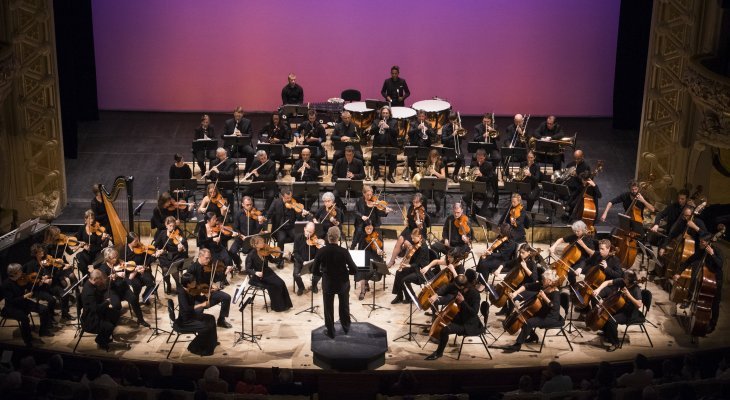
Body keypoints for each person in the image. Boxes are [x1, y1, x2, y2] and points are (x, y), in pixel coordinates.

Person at [312, 227, 358, 338]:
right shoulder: (344, 252)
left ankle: (331, 332)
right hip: (342, 283)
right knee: (344, 305)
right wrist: (348, 271)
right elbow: (354, 270)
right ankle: (346, 327)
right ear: (338, 238)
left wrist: (323, 273)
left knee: (328, 308)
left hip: (328, 283)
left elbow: (314, 270)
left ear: (328, 237)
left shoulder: (321, 251)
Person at [424, 274, 483, 360]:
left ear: (462, 286)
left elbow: (474, 312)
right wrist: (436, 295)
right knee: (443, 323)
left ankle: (439, 353)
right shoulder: (459, 287)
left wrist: (462, 302)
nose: (454, 287)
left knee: (445, 329)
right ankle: (437, 340)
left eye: (456, 286)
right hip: (460, 317)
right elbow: (447, 287)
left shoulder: (475, 294)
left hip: (468, 323)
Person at [504, 269, 563, 353]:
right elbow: (528, 286)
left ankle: (518, 345)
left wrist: (545, 297)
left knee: (528, 322)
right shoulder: (544, 286)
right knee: (527, 316)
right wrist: (516, 293)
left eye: (544, 280)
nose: (542, 281)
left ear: (550, 281)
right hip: (543, 312)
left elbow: (554, 307)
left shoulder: (555, 293)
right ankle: (533, 336)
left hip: (551, 317)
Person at [676, 231, 723, 333]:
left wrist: (713, 255)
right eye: (700, 242)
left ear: (707, 243)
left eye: (702, 242)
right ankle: (692, 307)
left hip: (716, 280)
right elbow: (688, 261)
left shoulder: (716, 251)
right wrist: (679, 273)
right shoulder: (701, 251)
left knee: (715, 304)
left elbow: (720, 265)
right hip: (706, 279)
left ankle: (712, 324)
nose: (699, 244)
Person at [94, 247, 150, 328]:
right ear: (107, 258)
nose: (116, 259)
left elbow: (129, 274)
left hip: (123, 287)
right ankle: (113, 320)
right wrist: (116, 275)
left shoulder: (121, 262)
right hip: (111, 290)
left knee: (134, 299)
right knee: (117, 305)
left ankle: (141, 319)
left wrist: (136, 269)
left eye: (117, 256)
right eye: (113, 257)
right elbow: (104, 283)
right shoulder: (103, 268)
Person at [1, 263, 54, 347]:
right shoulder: (6, 284)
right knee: (25, 319)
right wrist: (24, 296)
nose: (22, 272)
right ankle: (28, 340)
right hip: (12, 307)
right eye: (20, 271)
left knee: (44, 309)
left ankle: (43, 330)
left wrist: (39, 283)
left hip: (23, 302)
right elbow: (11, 301)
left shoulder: (22, 279)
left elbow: (31, 287)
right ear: (14, 273)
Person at [594, 270, 645, 352]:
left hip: (630, 313)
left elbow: (639, 305)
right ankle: (607, 333)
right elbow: (607, 282)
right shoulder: (623, 282)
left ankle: (615, 343)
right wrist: (598, 289)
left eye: (624, 278)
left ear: (628, 280)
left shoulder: (636, 289)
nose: (622, 278)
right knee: (606, 312)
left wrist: (628, 295)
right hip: (621, 308)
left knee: (612, 320)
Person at [186, 249, 233, 328]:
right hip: (197, 296)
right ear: (200, 256)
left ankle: (221, 320)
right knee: (198, 311)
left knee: (226, 297)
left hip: (209, 292)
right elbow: (190, 288)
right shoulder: (192, 269)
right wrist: (204, 291)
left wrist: (225, 273)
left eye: (210, 258)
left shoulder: (209, 266)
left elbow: (216, 278)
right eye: (206, 258)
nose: (209, 260)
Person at [23, 243, 70, 321]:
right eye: (39, 251)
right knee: (52, 300)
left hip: (50, 285)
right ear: (35, 253)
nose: (42, 252)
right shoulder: (31, 264)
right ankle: (50, 316)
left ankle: (65, 314)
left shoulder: (47, 261)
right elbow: (30, 280)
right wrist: (42, 280)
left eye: (42, 250)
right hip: (39, 288)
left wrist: (62, 269)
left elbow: (54, 273)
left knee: (65, 294)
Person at [246, 236, 293, 312]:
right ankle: (278, 307)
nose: (264, 243)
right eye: (261, 242)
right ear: (255, 244)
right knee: (276, 285)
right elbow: (247, 269)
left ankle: (286, 304)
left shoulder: (265, 250)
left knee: (281, 282)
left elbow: (273, 260)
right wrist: (255, 272)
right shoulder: (251, 255)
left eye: (263, 242)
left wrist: (283, 257)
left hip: (267, 272)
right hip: (259, 275)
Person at [177, 273, 219, 356]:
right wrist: (201, 305)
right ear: (188, 284)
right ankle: (195, 347)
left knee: (211, 318)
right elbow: (186, 308)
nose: (195, 282)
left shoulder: (191, 290)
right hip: (185, 320)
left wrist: (208, 294)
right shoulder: (182, 293)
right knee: (206, 327)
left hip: (192, 315)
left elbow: (200, 298)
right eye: (193, 281)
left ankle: (212, 342)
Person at [387, 193, 430, 268]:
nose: (415, 204)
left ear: (421, 202)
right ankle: (392, 260)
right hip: (409, 228)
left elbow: (421, 227)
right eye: (414, 202)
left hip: (417, 231)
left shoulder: (422, 211)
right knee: (400, 239)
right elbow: (408, 217)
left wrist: (418, 224)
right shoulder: (411, 207)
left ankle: (407, 262)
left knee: (407, 243)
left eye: (417, 202)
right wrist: (406, 221)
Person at [80, 269, 119, 351]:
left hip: (95, 313)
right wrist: (106, 302)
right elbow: (95, 309)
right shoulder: (89, 292)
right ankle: (100, 340)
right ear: (95, 279)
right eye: (100, 279)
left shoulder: (90, 284)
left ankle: (104, 336)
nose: (101, 281)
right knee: (109, 326)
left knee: (115, 314)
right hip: (91, 319)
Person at [265, 187, 310, 256]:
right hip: (280, 228)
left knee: (299, 237)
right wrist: (268, 227)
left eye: (290, 197)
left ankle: (296, 256)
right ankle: (280, 259)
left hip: (291, 227)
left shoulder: (294, 203)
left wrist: (302, 215)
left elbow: (299, 217)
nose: (289, 200)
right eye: (287, 198)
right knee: (281, 239)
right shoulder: (276, 202)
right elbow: (268, 215)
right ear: (282, 196)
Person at [549, 220, 596, 285]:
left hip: (582, 261)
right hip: (571, 259)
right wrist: (553, 247)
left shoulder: (588, 239)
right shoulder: (575, 236)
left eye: (578, 231)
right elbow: (561, 239)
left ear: (583, 230)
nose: (576, 233)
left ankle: (573, 286)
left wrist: (584, 246)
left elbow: (592, 253)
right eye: (575, 231)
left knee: (571, 273)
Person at [390, 229, 430, 304]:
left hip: (421, 270)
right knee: (399, 272)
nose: (412, 240)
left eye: (414, 238)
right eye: (412, 238)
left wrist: (408, 265)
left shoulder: (423, 247)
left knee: (404, 279)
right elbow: (412, 258)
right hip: (415, 267)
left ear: (420, 236)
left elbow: (419, 263)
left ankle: (411, 297)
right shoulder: (417, 244)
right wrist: (410, 250)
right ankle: (399, 296)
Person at [229, 196, 267, 270]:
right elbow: (235, 227)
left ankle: (250, 269)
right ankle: (238, 263)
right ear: (243, 204)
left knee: (251, 252)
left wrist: (260, 222)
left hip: (252, 239)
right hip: (241, 238)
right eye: (247, 205)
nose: (249, 206)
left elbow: (257, 230)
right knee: (232, 251)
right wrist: (240, 235)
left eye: (251, 204)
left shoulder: (256, 214)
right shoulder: (238, 214)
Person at [154, 216, 188, 294]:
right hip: (166, 255)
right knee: (165, 269)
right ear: (166, 225)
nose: (172, 228)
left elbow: (185, 245)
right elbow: (155, 245)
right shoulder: (162, 233)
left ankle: (178, 285)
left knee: (173, 266)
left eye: (173, 226)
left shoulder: (178, 232)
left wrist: (181, 249)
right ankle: (168, 284)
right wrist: (158, 251)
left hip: (176, 255)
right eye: (170, 226)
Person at [351, 185, 390, 250]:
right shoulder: (359, 201)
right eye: (367, 195)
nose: (369, 197)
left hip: (374, 223)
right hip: (362, 223)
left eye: (370, 195)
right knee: (358, 232)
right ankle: (352, 248)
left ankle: (378, 253)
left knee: (378, 238)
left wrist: (385, 211)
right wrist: (362, 216)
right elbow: (355, 211)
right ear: (363, 193)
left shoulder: (375, 202)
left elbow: (379, 213)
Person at [121, 232, 156, 304]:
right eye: (135, 241)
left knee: (151, 283)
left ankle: (145, 296)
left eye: (138, 240)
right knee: (137, 285)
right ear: (130, 242)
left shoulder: (140, 248)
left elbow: (147, 260)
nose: (138, 243)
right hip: (131, 273)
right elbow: (124, 265)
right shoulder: (124, 251)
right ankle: (135, 301)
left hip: (141, 270)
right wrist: (136, 269)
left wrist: (154, 256)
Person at [463, 148, 498, 216]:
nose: (479, 160)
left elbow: (489, 179)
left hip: (486, 186)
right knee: (465, 197)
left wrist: (481, 175)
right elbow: (470, 175)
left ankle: (481, 214)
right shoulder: (473, 164)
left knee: (489, 196)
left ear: (484, 157)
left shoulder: (489, 165)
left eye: (481, 158)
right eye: (478, 158)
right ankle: (476, 210)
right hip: (475, 185)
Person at [74, 209, 111, 274]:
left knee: (102, 260)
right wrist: (83, 246)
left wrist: (104, 239)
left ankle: (95, 275)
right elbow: (78, 240)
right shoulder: (82, 228)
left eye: (93, 218)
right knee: (79, 256)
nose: (92, 220)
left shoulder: (97, 229)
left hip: (97, 252)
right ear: (85, 219)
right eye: (90, 218)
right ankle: (86, 275)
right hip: (87, 252)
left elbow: (101, 245)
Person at [292, 222, 322, 296]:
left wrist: (320, 247)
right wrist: (302, 261)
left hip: (311, 262)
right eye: (307, 231)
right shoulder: (298, 238)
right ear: (304, 229)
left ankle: (314, 285)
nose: (308, 233)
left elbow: (318, 254)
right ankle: (301, 287)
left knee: (319, 272)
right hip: (300, 261)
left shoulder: (315, 240)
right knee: (295, 274)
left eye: (310, 232)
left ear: (313, 232)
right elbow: (295, 252)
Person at [370, 106, 399, 183]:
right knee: (374, 156)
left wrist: (388, 127)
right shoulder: (376, 121)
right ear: (381, 113)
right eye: (383, 113)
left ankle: (390, 174)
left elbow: (396, 134)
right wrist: (378, 126)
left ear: (389, 114)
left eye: (386, 113)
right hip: (378, 145)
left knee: (393, 156)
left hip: (391, 146)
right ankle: (377, 172)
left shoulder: (394, 122)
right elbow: (371, 132)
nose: (385, 115)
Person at [222, 106, 254, 172]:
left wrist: (242, 134)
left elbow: (250, 135)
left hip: (243, 144)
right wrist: (231, 135)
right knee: (226, 154)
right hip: (231, 144)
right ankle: (231, 170)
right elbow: (222, 135)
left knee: (251, 152)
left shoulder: (248, 122)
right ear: (234, 114)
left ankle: (247, 171)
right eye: (236, 115)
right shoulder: (228, 122)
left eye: (239, 115)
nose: (238, 116)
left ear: (242, 114)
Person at [418, 149, 447, 215]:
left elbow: (443, 176)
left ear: (437, 157)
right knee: (424, 197)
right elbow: (423, 176)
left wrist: (435, 172)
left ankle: (437, 210)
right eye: (432, 157)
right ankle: (425, 211)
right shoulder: (427, 164)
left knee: (436, 197)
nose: (433, 159)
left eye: (435, 157)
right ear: (430, 157)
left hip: (438, 188)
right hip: (428, 187)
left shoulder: (441, 164)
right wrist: (426, 173)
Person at [406, 110, 435, 176]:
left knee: (431, 155)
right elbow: (409, 133)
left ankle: (425, 171)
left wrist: (428, 130)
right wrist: (417, 128)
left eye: (422, 116)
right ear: (417, 116)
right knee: (410, 156)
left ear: (425, 117)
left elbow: (434, 135)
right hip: (415, 145)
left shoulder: (428, 124)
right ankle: (414, 171)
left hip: (425, 146)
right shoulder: (412, 124)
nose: (421, 118)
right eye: (419, 116)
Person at [441, 113, 465, 181]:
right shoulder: (445, 127)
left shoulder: (459, 126)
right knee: (444, 160)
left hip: (457, 148)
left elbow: (465, 138)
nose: (453, 122)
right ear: (449, 120)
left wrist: (460, 129)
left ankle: (455, 174)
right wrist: (452, 135)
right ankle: (446, 174)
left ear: (457, 119)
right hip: (448, 148)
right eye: (451, 120)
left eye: (454, 120)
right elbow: (443, 140)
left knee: (461, 158)